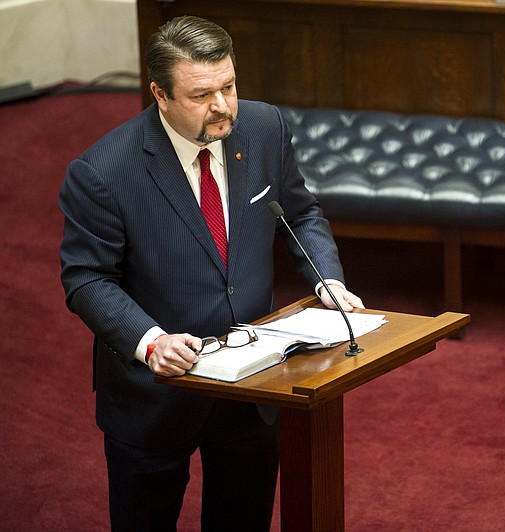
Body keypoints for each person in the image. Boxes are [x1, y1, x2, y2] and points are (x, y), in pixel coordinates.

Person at [58, 15, 363, 531]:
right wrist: (150, 341)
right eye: (202, 95)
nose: (222, 106)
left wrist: (325, 280)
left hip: (254, 381)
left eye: (229, 86)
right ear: (160, 93)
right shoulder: (103, 173)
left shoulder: (264, 128)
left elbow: (299, 213)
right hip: (155, 392)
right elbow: (86, 278)